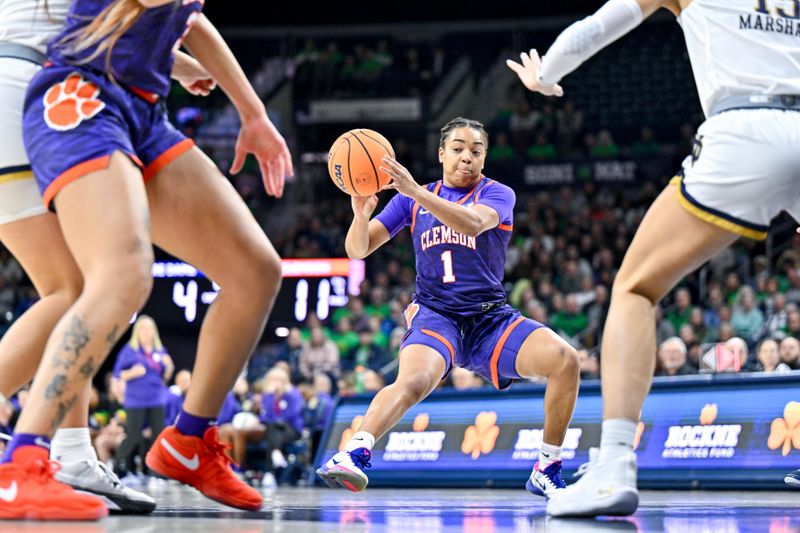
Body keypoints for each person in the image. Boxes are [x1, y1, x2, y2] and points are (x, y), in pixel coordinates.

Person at [1, 0, 291, 520]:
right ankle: (22, 462)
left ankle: (190, 439)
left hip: (140, 105)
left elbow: (189, 19)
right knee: (114, 280)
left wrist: (253, 113)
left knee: (256, 271)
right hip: (79, 97)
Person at [507, 0, 800, 516]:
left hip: (746, 129)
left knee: (636, 288)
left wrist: (544, 76)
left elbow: (595, 29)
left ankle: (614, 463)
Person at [317, 117, 579, 497]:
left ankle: (547, 467)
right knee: (415, 381)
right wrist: (360, 214)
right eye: (457, 149)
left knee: (565, 360)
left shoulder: (497, 194)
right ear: (442, 154)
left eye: (476, 150)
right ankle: (354, 453)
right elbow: (358, 249)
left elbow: (473, 224)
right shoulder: (410, 199)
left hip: (490, 318)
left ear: (485, 158)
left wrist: (414, 191)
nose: (466, 157)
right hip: (436, 313)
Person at [112, 315, 173, 480]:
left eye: (150, 329)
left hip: (156, 398)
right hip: (135, 399)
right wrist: (132, 373)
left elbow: (165, 376)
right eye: (143, 328)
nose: (147, 332)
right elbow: (118, 374)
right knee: (133, 435)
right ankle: (117, 464)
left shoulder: (159, 351)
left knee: (158, 435)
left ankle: (155, 470)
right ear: (137, 331)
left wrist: (169, 367)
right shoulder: (129, 351)